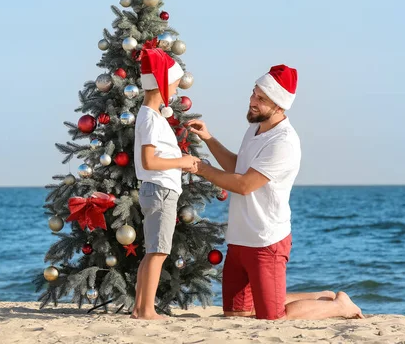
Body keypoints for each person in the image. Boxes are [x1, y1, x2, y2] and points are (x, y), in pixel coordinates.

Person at [187, 64, 363, 320]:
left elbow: (244, 185)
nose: (252, 101)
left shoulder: (284, 142)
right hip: (239, 239)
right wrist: (209, 139)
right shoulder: (255, 129)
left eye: (261, 98)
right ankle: (319, 297)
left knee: (273, 317)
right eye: (253, 93)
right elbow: (239, 167)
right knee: (236, 315)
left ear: (279, 105)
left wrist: (199, 167)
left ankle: (339, 306)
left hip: (265, 241)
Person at [131, 44, 200, 320]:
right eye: (173, 84)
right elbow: (149, 161)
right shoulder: (149, 117)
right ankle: (147, 310)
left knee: (152, 252)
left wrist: (180, 159)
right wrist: (181, 162)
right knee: (158, 252)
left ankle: (139, 308)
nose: (175, 90)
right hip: (160, 190)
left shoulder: (154, 116)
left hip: (160, 189)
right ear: (161, 84)